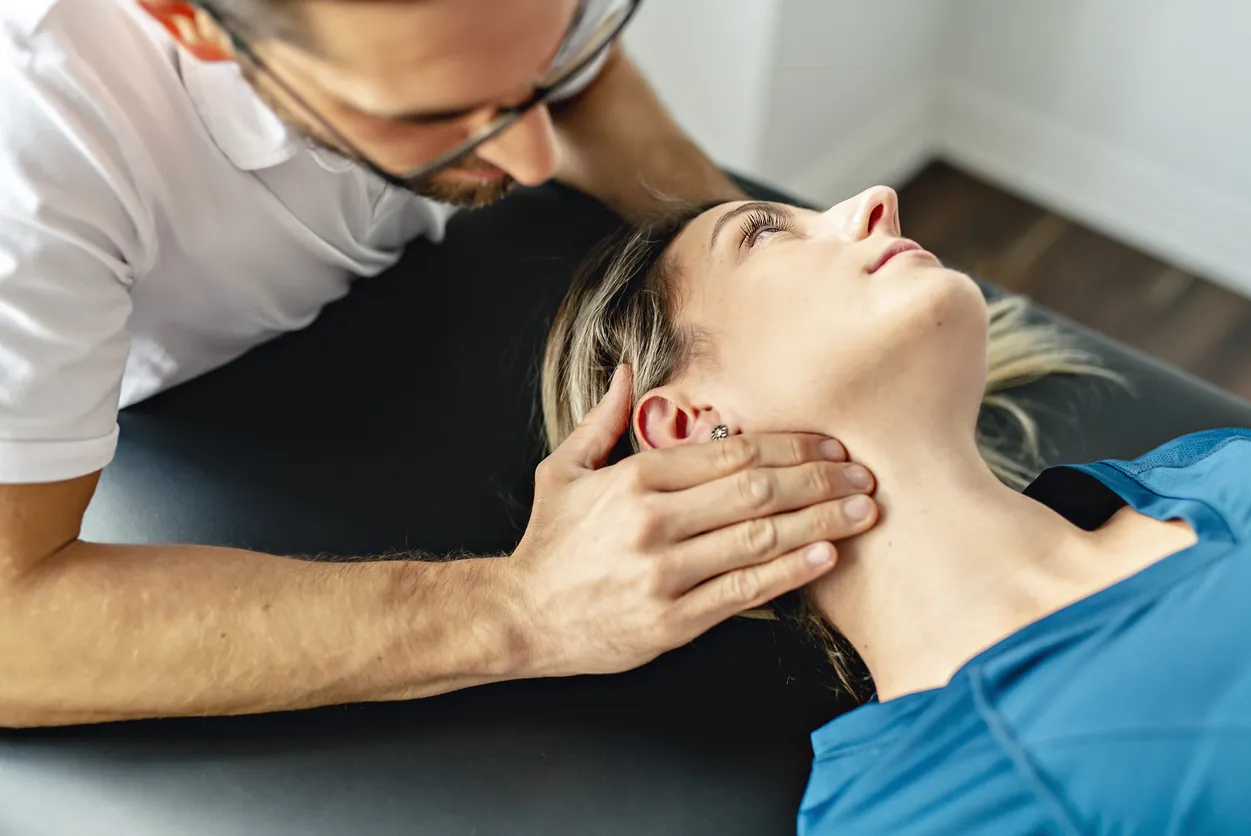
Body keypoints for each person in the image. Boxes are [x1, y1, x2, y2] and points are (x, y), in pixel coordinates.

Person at [0, 0, 882, 728]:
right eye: (433, 115)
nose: (537, 158)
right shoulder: (33, 153)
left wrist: (774, 280)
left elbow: (563, 85)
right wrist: (523, 610)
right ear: (185, 19)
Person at [541, 185, 1251, 834]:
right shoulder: (914, 806)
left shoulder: (1213, 467)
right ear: (690, 427)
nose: (878, 199)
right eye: (762, 233)